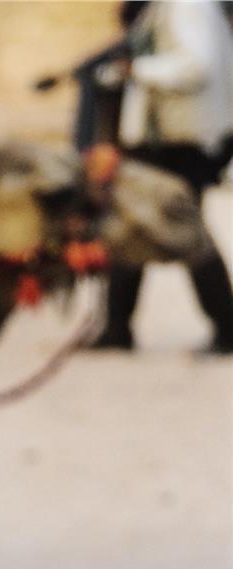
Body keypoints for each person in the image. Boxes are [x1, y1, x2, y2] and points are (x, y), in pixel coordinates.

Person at [89, 0, 233, 354]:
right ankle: (117, 326)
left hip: (180, 142)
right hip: (165, 140)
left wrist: (137, 70)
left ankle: (228, 327)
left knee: (183, 229)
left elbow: (196, 66)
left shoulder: (188, 6)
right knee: (131, 224)